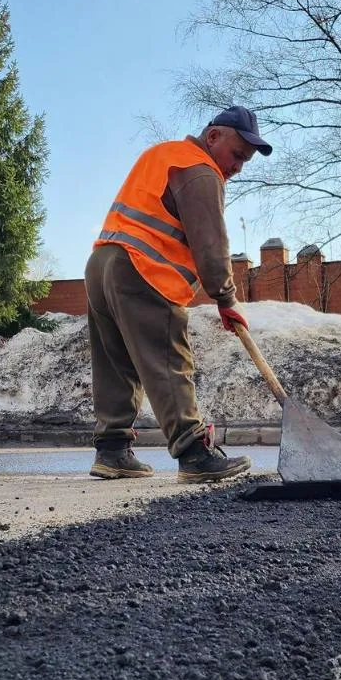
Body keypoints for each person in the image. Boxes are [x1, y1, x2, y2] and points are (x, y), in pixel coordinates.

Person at [85, 106, 273, 483]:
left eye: (245, 161)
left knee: (116, 361)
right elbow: (211, 245)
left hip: (103, 263)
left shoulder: (162, 153)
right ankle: (194, 453)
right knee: (168, 359)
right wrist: (225, 298)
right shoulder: (201, 170)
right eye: (237, 155)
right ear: (214, 136)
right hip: (145, 270)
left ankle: (112, 451)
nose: (238, 167)